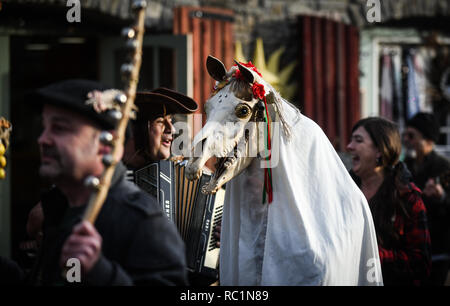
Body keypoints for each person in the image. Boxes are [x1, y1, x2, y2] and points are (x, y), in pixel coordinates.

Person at [2, 79, 188, 285]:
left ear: (106, 145)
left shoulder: (145, 221)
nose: (42, 139)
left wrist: (101, 273)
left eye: (60, 128)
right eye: (44, 127)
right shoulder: (61, 208)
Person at [347, 117, 431, 286]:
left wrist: (372, 254)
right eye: (351, 140)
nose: (349, 146)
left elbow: (420, 264)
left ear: (379, 150)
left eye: (358, 140)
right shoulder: (343, 191)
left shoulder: (407, 198)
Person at [403, 112, 450, 285]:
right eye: (405, 135)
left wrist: (441, 196)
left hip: (436, 250)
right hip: (410, 248)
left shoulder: (443, 167)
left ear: (429, 140)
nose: (407, 140)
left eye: (412, 136)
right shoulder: (405, 165)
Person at [123, 88, 197, 171]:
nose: (172, 129)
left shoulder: (178, 172)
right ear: (140, 130)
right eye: (160, 121)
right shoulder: (113, 173)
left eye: (170, 120)